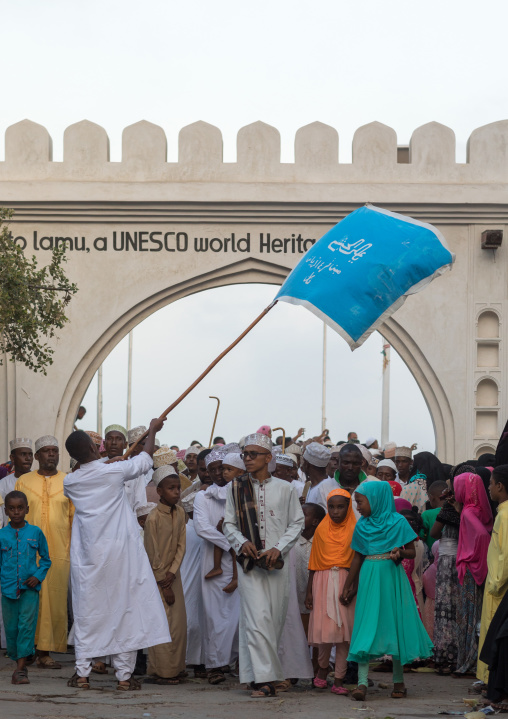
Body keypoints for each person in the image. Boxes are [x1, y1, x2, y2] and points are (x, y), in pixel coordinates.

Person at [63, 420, 170, 690]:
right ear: (93, 447)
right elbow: (145, 460)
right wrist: (153, 430)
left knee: (88, 612)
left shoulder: (71, 481)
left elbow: (87, 471)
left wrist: (107, 464)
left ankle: (83, 674)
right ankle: (123, 677)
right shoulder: (114, 471)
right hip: (121, 554)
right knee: (126, 608)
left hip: (89, 557)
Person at [223, 433, 304, 698]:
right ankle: (267, 680)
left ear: (268, 458)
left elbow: (296, 523)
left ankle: (255, 676)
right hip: (249, 563)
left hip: (276, 562)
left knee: (272, 620)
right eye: (245, 454)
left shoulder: (286, 488)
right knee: (258, 619)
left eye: (253, 454)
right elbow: (228, 524)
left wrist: (278, 548)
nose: (247, 458)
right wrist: (241, 542)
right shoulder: (235, 487)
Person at [341, 481, 433, 701]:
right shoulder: (362, 525)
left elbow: (411, 551)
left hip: (392, 577)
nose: (358, 507)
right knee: (366, 625)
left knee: (395, 625)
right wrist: (348, 585)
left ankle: (399, 681)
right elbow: (356, 557)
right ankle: (362, 683)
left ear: (375, 499)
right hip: (369, 577)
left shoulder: (398, 521)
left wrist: (399, 554)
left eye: (360, 502)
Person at [15, 435, 73, 668]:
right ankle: (26, 649)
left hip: (59, 551)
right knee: (28, 600)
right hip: (28, 551)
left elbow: (74, 518)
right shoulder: (24, 481)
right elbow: (16, 515)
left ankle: (45, 651)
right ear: (37, 456)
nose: (51, 454)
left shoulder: (68, 481)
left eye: (55, 451)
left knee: (54, 602)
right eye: (46, 451)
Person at [193, 449, 240, 685]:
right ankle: (215, 665)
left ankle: (236, 662)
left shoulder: (241, 493)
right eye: (213, 470)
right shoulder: (203, 497)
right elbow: (202, 528)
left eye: (223, 468)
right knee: (214, 617)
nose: (219, 473)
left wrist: (235, 547)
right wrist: (231, 544)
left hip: (240, 563)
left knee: (239, 617)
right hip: (213, 562)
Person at [306, 489, 357, 695]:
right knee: (324, 631)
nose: (335, 512)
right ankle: (321, 672)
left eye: (340, 507)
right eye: (331, 507)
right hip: (322, 581)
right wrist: (309, 590)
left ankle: (339, 679)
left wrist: (353, 586)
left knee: (344, 634)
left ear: (349, 507)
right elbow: (313, 561)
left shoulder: (355, 529)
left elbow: (357, 560)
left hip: (346, 580)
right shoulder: (321, 529)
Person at [0, 490, 51, 685]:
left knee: (26, 627)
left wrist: (37, 577)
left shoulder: (35, 533)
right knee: (11, 629)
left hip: (30, 590)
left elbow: (46, 559)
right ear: (6, 511)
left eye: (20, 508)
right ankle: (20, 658)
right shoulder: (2, 535)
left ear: (27, 509)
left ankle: (20, 670)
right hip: (8, 590)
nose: (16, 512)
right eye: (11, 509)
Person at [143, 466, 187, 685]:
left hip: (173, 576)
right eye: (171, 488)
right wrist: (163, 580)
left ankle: (176, 668)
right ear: (159, 491)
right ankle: (162, 672)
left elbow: (181, 546)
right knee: (162, 624)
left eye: (178, 488)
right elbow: (152, 552)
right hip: (158, 580)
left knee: (178, 625)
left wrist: (172, 573)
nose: (176, 492)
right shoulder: (153, 518)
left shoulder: (180, 513)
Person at [453, 472, 493, 676]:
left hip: (470, 570)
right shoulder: (476, 510)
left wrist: (471, 558)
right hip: (477, 569)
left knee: (468, 616)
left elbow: (482, 537)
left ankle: (467, 660)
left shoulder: (468, 513)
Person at [477, 465, 508, 684]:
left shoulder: (504, 516)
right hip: (496, 583)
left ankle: (492, 680)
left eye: (490, 483)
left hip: (499, 586)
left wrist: (496, 583)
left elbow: (505, 554)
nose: (488, 488)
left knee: (495, 634)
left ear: (500, 486)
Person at [430, 481, 461, 674]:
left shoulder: (448, 509)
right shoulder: (470, 509)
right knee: (458, 608)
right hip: (463, 559)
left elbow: (434, 532)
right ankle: (459, 654)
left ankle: (445, 654)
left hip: (448, 562)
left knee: (445, 608)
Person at [204, 453, 243, 589]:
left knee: (234, 550)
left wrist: (207, 492)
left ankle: (235, 577)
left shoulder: (237, 482)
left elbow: (221, 494)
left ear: (240, 471)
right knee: (219, 534)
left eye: (227, 469)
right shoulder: (233, 482)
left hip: (238, 523)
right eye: (224, 469)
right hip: (229, 519)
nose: (223, 473)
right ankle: (217, 567)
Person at [294, 504, 325, 643]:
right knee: (299, 632)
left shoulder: (323, 542)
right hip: (296, 597)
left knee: (318, 631)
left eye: (303, 515)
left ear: (315, 521)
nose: (298, 518)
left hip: (317, 596)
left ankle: (318, 661)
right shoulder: (291, 543)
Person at [0, 438, 33, 526]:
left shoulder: (38, 481)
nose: (28, 458)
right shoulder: (3, 484)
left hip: (34, 534)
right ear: (12, 458)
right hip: (9, 536)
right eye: (23, 454)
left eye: (30, 454)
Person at [420, 481, 447, 549]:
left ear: (431, 497)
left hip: (433, 556)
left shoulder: (426, 514)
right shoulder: (456, 510)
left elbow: (421, 537)